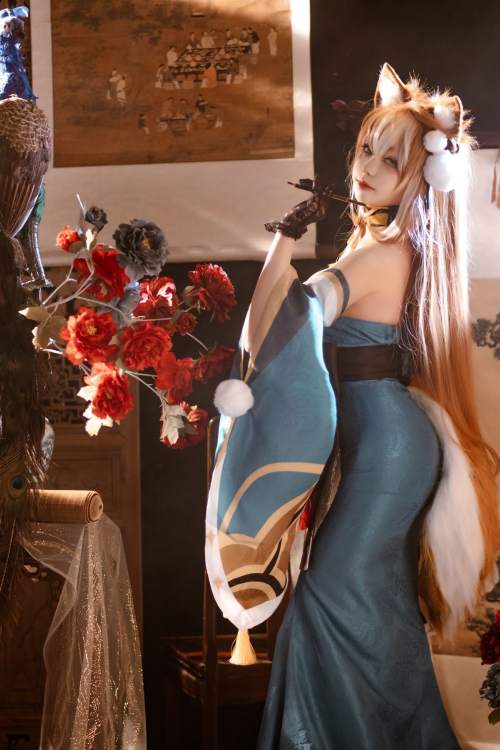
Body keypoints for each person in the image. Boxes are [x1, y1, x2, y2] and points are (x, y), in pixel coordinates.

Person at [205, 63, 500, 748]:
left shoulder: (380, 254)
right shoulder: (392, 247)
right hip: (389, 439)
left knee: (328, 603)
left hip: (386, 448)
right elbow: (274, 333)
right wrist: (285, 243)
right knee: (377, 606)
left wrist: (283, 242)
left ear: (417, 178)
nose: (366, 167)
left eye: (390, 160)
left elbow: (274, 330)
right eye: (367, 149)